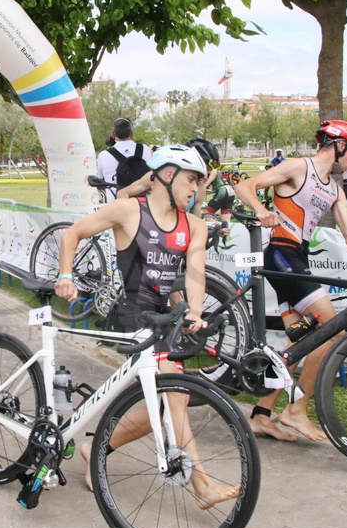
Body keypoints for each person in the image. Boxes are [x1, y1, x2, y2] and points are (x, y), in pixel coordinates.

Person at [55, 145, 238, 508]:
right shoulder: (128, 211)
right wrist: (65, 274)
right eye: (191, 180)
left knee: (172, 401)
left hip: (163, 317)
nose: (196, 190)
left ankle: (95, 448)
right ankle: (201, 483)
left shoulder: (194, 226)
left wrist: (196, 312)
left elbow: (196, 275)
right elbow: (71, 234)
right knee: (175, 394)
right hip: (129, 313)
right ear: (166, 176)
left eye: (200, 183)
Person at [234, 119, 347, 441]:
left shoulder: (335, 190)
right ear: (340, 146)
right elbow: (245, 185)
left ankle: (261, 415)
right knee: (329, 327)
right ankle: (296, 410)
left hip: (299, 258)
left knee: (299, 340)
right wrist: (260, 209)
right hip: (282, 255)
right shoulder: (298, 167)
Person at [96, 117, 148, 202]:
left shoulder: (104, 155)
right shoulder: (145, 149)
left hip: (115, 206)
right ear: (132, 133)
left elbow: (100, 179)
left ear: (113, 134)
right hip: (142, 206)